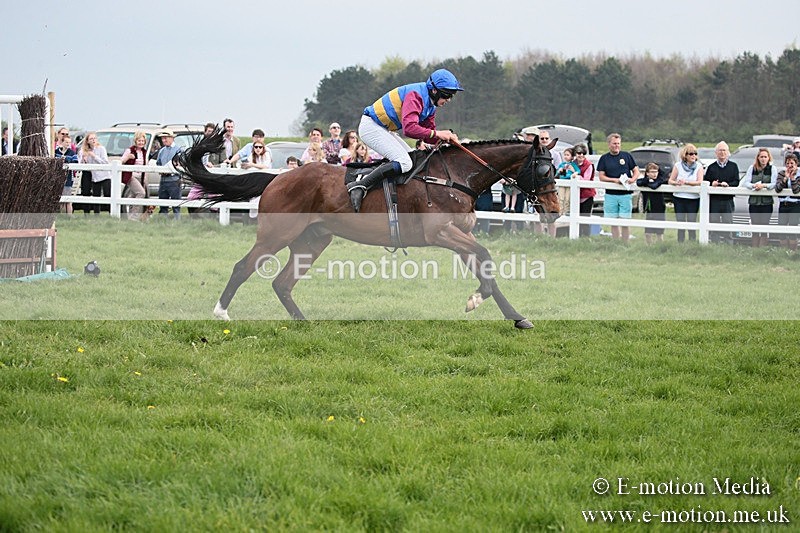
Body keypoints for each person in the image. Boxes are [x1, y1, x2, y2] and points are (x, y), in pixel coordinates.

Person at [347, 68, 463, 212]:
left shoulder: (431, 105)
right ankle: (360, 186)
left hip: (384, 129)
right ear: (435, 91)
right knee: (405, 162)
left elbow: (428, 136)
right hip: (371, 126)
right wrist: (438, 134)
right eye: (447, 95)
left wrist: (446, 140)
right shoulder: (415, 95)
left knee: (414, 160)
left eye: (451, 96)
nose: (449, 100)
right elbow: (409, 129)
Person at [597, 133, 640, 241]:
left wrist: (632, 179)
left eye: (618, 143)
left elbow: (636, 171)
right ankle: (616, 242)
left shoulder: (627, 156)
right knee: (613, 221)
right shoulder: (604, 158)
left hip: (625, 194)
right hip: (610, 194)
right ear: (609, 144)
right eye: (614, 143)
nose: (616, 146)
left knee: (625, 221)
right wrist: (614, 180)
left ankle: (625, 243)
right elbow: (601, 176)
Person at [703, 141, 740, 244]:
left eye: (724, 150)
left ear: (728, 152)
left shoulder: (733, 166)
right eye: (720, 150)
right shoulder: (711, 167)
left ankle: (728, 244)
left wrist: (728, 185)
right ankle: (715, 244)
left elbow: (736, 181)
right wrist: (712, 183)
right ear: (716, 153)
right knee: (713, 222)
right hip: (714, 200)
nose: (722, 153)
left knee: (728, 222)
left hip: (727, 200)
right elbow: (706, 181)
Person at [741, 148, 778, 248]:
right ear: (758, 158)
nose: (763, 159)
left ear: (768, 158)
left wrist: (764, 186)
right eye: (761, 157)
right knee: (755, 226)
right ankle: (754, 249)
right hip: (754, 202)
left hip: (766, 203)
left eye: (765, 157)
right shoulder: (752, 168)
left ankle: (762, 250)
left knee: (764, 227)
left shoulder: (772, 169)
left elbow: (773, 184)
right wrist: (754, 186)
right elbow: (746, 183)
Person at [668, 144, 704, 242]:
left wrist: (687, 182)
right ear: (685, 155)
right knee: (680, 222)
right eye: (691, 154)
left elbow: (700, 181)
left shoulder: (699, 166)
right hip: (679, 198)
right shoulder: (678, 165)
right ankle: (680, 242)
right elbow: (670, 180)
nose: (693, 156)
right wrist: (676, 183)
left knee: (692, 221)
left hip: (693, 199)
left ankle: (692, 242)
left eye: (695, 154)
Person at [79, 132, 112, 214]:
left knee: (108, 195)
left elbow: (105, 162)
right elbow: (82, 165)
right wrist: (84, 159)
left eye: (94, 138)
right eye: (91, 139)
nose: (93, 140)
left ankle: (111, 213)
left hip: (104, 175)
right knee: (96, 196)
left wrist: (94, 156)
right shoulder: (84, 150)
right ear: (87, 141)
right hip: (95, 177)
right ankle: (96, 215)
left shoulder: (101, 149)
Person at [636, 162, 669, 244]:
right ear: (647, 173)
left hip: (659, 208)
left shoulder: (660, 179)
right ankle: (649, 247)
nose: (654, 174)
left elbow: (654, 186)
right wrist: (648, 181)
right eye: (652, 172)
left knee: (659, 233)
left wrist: (648, 183)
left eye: (656, 172)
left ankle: (660, 247)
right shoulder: (645, 180)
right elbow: (638, 182)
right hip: (649, 208)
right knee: (648, 233)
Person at [120, 130, 148, 221]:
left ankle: (130, 217)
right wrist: (128, 157)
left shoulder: (144, 152)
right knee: (141, 193)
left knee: (133, 196)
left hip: (140, 176)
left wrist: (145, 177)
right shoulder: (129, 150)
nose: (141, 143)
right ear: (135, 141)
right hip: (131, 176)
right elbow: (121, 161)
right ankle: (134, 217)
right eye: (139, 141)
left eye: (143, 141)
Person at [774, 153, 800, 251]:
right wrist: (785, 178)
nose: (789, 166)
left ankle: (792, 252)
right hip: (783, 204)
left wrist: (792, 178)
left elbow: (796, 191)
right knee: (781, 230)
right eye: (787, 163)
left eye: (792, 163)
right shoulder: (781, 173)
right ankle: (784, 252)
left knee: (792, 229)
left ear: (796, 164)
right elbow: (778, 189)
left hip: (795, 204)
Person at [155, 129, 182, 219]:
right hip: (163, 180)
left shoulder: (178, 150)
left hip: (174, 180)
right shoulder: (162, 151)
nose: (163, 140)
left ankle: (177, 220)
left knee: (176, 204)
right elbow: (158, 163)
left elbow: (181, 164)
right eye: (162, 138)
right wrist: (160, 170)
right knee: (162, 203)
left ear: (171, 138)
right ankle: (163, 220)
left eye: (165, 138)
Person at [572, 144, 596, 237]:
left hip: (586, 196)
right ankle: (575, 237)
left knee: (585, 219)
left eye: (583, 153)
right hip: (575, 196)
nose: (581, 155)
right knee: (574, 218)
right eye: (579, 153)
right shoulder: (571, 164)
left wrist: (576, 176)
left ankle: (585, 238)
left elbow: (586, 180)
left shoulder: (589, 165)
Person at [54, 134, 79, 214]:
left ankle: (69, 216)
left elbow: (75, 162)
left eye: (69, 142)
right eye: (66, 142)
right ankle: (62, 215)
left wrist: (65, 159)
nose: (68, 144)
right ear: (62, 142)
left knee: (68, 200)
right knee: (60, 200)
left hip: (68, 179)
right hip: (58, 179)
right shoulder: (56, 152)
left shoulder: (72, 153)